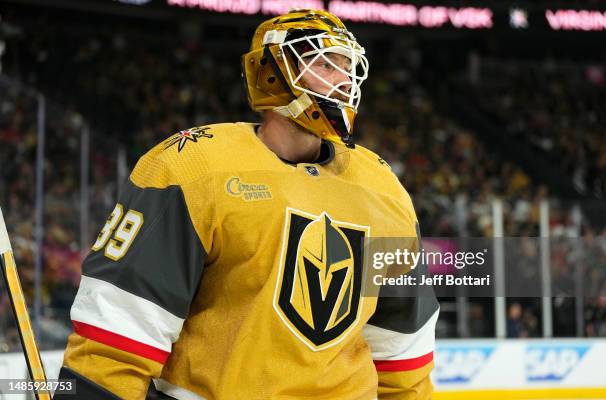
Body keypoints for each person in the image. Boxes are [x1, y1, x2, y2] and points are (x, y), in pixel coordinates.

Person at [56, 9, 439, 399]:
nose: (342, 80)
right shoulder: (192, 167)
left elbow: (401, 347)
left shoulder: (382, 187)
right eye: (324, 63)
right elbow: (120, 331)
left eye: (346, 66)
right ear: (271, 74)